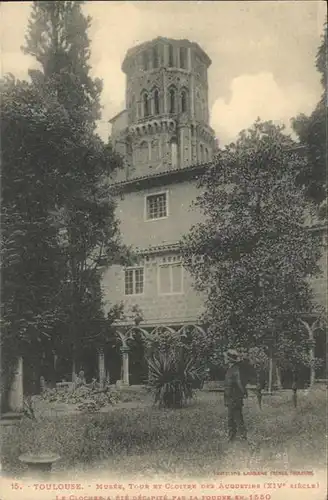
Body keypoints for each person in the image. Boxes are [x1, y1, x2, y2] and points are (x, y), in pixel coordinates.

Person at [224, 349, 248, 442]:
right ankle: (232, 436)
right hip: (230, 397)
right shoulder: (230, 369)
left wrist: (243, 392)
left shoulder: (235, 369)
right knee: (231, 418)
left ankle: (243, 436)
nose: (224, 359)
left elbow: (239, 382)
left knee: (237, 417)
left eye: (226, 357)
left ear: (229, 359)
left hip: (235, 397)